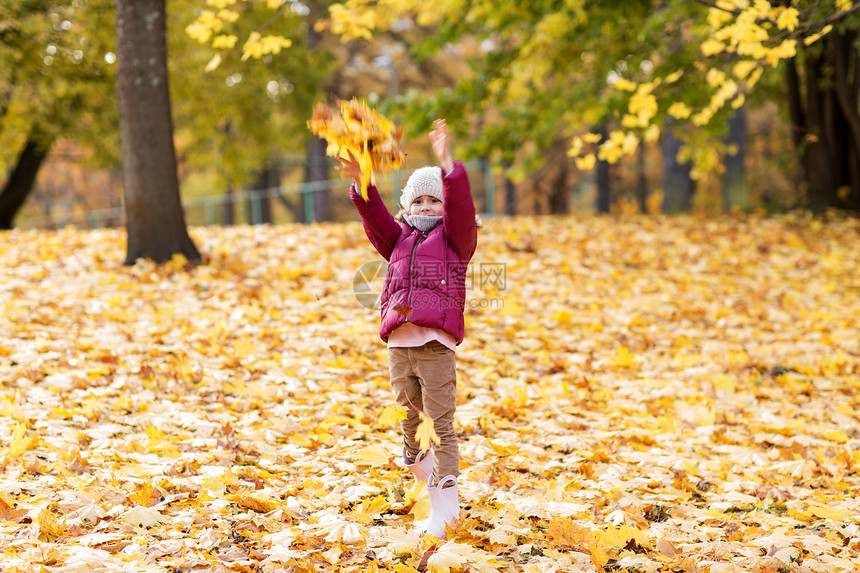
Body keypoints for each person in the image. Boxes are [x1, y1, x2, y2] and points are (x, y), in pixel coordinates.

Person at [337, 119, 478, 538]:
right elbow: (374, 215)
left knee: (439, 423)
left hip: (435, 347)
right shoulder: (396, 239)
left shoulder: (456, 240)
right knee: (410, 423)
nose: (426, 208)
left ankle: (446, 508)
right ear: (407, 207)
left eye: (434, 200)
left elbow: (461, 208)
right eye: (418, 201)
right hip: (399, 347)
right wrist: (364, 182)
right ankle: (423, 474)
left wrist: (446, 163)